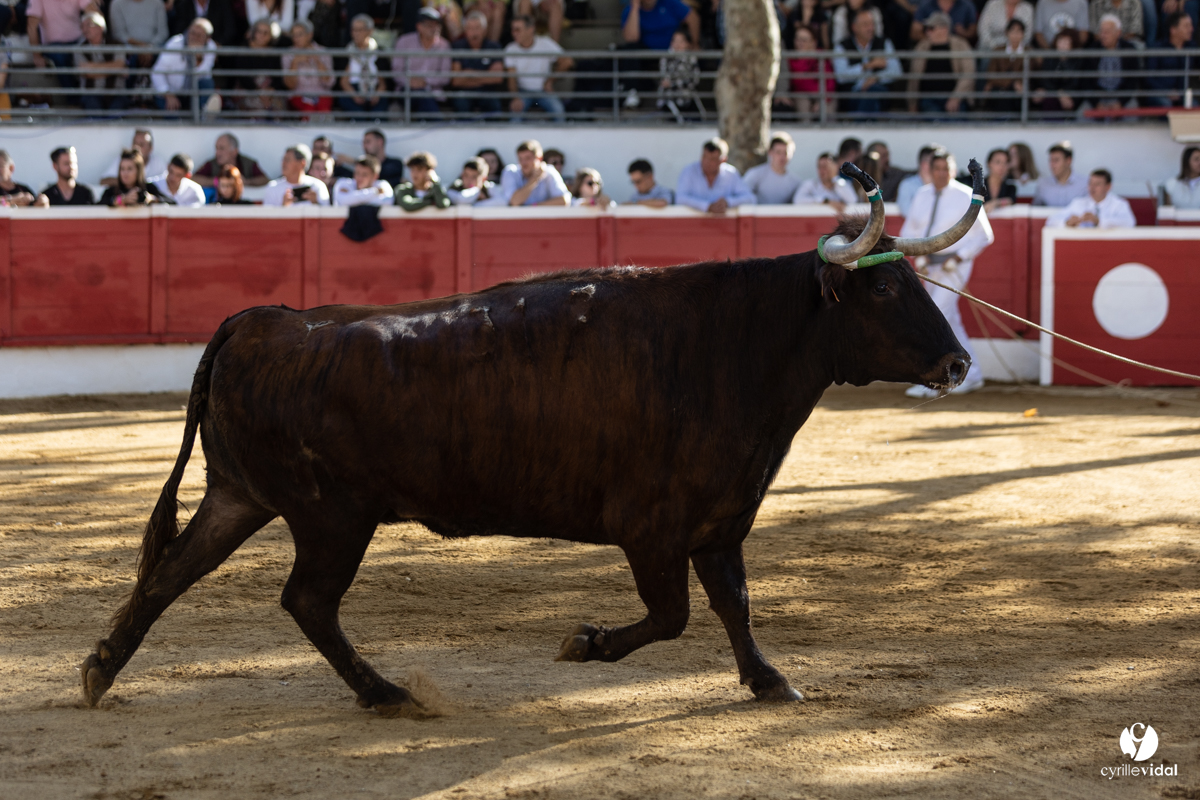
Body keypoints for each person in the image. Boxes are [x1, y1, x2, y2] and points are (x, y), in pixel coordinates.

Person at [900, 148, 994, 398]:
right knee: (948, 318)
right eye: (937, 169)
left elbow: (984, 236)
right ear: (929, 171)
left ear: (953, 171)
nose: (941, 173)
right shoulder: (922, 194)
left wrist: (958, 257)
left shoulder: (965, 195)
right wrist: (918, 257)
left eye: (945, 169)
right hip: (929, 265)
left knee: (937, 316)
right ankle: (970, 375)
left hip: (955, 266)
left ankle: (936, 379)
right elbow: (911, 229)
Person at [832, 9, 903, 114]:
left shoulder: (884, 43)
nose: (870, 28)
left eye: (872, 24)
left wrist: (876, 78)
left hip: (880, 91)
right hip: (853, 94)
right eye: (865, 25)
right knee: (870, 98)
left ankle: (861, 125)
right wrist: (866, 66)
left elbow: (897, 71)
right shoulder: (842, 46)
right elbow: (841, 76)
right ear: (854, 27)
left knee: (874, 91)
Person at [504, 15, 572, 123]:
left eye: (518, 29)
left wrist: (550, 80)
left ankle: (558, 140)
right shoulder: (510, 48)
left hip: (543, 91)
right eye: (513, 30)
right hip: (522, 92)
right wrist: (515, 97)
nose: (514, 33)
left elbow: (567, 61)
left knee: (559, 111)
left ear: (530, 29)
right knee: (515, 115)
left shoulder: (545, 43)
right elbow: (511, 78)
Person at [907, 13, 974, 116]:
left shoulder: (960, 45)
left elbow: (968, 73)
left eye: (931, 28)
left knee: (957, 127)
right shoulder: (922, 47)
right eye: (927, 28)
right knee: (934, 124)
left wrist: (955, 98)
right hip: (928, 99)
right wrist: (912, 103)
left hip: (956, 98)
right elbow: (914, 77)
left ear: (944, 29)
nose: (927, 32)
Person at [152, 19, 218, 114]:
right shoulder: (174, 44)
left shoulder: (211, 47)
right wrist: (167, 94)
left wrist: (197, 58)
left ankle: (204, 115)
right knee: (172, 115)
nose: (194, 37)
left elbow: (203, 73)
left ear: (207, 38)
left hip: (192, 93)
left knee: (207, 83)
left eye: (199, 35)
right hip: (169, 92)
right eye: (192, 33)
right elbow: (157, 72)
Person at [394, 7, 452, 117]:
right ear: (419, 26)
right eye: (429, 25)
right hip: (407, 91)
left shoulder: (444, 45)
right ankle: (435, 125)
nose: (434, 28)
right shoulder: (404, 42)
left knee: (424, 98)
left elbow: (445, 77)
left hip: (433, 94)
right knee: (421, 97)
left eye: (436, 25)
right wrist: (410, 81)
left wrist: (425, 81)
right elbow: (396, 71)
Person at [675, 137, 756, 214]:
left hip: (724, 225)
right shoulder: (689, 171)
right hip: (694, 225)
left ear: (723, 160)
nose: (707, 162)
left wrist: (728, 202)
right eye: (704, 157)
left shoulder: (731, 174)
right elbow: (680, 198)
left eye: (712, 159)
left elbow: (750, 198)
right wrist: (707, 206)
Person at [450, 11, 505, 116]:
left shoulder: (494, 47)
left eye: (477, 28)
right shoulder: (458, 46)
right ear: (465, 30)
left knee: (494, 106)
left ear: (485, 30)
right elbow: (456, 80)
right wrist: (485, 76)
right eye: (470, 28)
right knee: (461, 104)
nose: (474, 33)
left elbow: (497, 78)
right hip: (465, 93)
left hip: (487, 93)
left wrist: (469, 74)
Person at [26, 0, 98, 80]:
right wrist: (37, 56)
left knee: (91, 55)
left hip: (78, 42)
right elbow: (31, 27)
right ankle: (71, 91)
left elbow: (95, 15)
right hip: (54, 47)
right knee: (60, 57)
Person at [75, 13, 130, 115]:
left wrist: (92, 67)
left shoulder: (116, 45)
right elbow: (87, 73)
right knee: (95, 118)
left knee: (114, 117)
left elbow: (119, 65)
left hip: (116, 93)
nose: (85, 29)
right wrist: (114, 69)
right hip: (91, 94)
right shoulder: (79, 49)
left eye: (88, 25)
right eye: (82, 26)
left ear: (100, 27)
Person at [1086, 14, 1143, 110]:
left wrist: (1121, 102)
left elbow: (1132, 81)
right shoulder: (1092, 49)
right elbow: (1086, 82)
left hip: (1121, 96)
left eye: (1107, 32)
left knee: (1133, 113)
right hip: (1098, 97)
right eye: (1101, 32)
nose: (1103, 35)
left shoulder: (1128, 50)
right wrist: (1096, 103)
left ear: (1118, 33)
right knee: (1082, 116)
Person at [231, 19, 286, 118]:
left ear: (271, 36)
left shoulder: (274, 52)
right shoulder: (244, 50)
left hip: (269, 91)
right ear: (254, 33)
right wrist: (258, 91)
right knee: (255, 105)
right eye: (259, 31)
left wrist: (270, 90)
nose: (262, 35)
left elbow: (278, 76)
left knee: (278, 105)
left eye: (266, 33)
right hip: (248, 90)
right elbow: (242, 76)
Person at [1046, 169, 1137, 227]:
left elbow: (1129, 223)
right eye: (1090, 183)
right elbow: (1051, 221)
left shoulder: (1118, 204)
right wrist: (1067, 222)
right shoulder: (1079, 203)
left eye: (1097, 184)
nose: (1092, 187)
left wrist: (1099, 221)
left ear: (1108, 187)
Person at [781, 24, 836, 117]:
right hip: (801, 96)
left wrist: (823, 99)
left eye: (804, 40)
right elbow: (798, 83)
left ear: (813, 42)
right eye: (798, 39)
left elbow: (830, 83)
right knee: (803, 106)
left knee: (827, 110)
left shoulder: (821, 57)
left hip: (823, 95)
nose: (800, 43)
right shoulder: (790, 59)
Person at [339, 15, 388, 117]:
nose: (355, 34)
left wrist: (376, 95)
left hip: (374, 89)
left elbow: (383, 82)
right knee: (356, 112)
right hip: (353, 90)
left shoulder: (379, 52)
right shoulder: (346, 52)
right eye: (354, 30)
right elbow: (343, 81)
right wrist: (355, 96)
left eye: (360, 30)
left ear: (370, 31)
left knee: (379, 112)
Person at [283, 20, 335, 115]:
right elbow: (290, 86)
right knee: (308, 109)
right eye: (294, 35)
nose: (296, 39)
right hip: (299, 95)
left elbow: (329, 82)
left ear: (310, 35)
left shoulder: (323, 52)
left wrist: (318, 61)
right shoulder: (288, 54)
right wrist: (295, 62)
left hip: (321, 95)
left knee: (324, 111)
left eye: (300, 35)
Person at [1145, 12, 1196, 108]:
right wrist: (1166, 91)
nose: (1191, 29)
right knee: (1166, 105)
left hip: (1183, 96)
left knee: (1195, 109)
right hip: (1160, 94)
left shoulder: (1192, 48)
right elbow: (1149, 78)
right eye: (1186, 26)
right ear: (1173, 30)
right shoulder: (1159, 49)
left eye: (1191, 25)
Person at [498, 140, 571, 206]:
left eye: (527, 158)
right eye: (520, 159)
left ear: (539, 158)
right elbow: (514, 202)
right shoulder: (510, 172)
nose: (523, 163)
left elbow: (564, 200)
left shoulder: (549, 171)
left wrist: (535, 206)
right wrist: (535, 179)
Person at [109, 0, 169, 77]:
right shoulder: (117, 4)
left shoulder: (157, 3)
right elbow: (119, 34)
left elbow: (163, 33)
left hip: (154, 48)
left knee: (165, 59)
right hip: (129, 49)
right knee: (126, 61)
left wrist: (149, 48)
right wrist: (142, 47)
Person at [1032, 27, 1083, 115]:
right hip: (1052, 93)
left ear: (1073, 44)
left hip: (1071, 95)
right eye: (1060, 41)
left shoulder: (1078, 61)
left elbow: (1076, 83)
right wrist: (1058, 93)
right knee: (1047, 98)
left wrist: (1063, 94)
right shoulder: (1049, 58)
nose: (1062, 45)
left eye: (1066, 42)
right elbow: (1045, 80)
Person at [983, 19, 1030, 114]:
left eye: (1019, 31)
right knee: (1000, 92)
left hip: (1019, 88)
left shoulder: (1029, 52)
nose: (1016, 35)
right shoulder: (998, 50)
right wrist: (1011, 82)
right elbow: (991, 74)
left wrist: (1015, 83)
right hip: (1000, 87)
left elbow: (1029, 73)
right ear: (1006, 33)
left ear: (1023, 34)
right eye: (1012, 31)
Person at [742, 133, 801, 205]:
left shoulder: (795, 182)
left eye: (785, 153)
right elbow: (742, 196)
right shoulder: (755, 174)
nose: (782, 157)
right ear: (770, 152)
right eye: (778, 152)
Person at [263, 144, 331, 206]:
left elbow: (328, 216)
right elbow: (266, 218)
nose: (283, 163)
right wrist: (283, 207)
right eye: (283, 159)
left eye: (287, 160)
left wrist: (315, 203)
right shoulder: (272, 187)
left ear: (302, 163)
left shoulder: (318, 186)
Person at [334, 129, 405, 187]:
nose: (364, 146)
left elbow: (383, 175)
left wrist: (354, 161)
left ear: (380, 142)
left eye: (368, 142)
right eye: (363, 143)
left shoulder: (396, 164)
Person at [193, 134, 269, 189]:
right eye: (216, 148)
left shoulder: (248, 163)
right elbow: (194, 179)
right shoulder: (211, 164)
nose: (217, 153)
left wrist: (246, 182)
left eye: (222, 148)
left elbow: (265, 180)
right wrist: (217, 181)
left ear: (234, 151)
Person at [99, 149, 170, 206]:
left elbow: (172, 202)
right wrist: (121, 200)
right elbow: (98, 206)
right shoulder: (112, 191)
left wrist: (152, 199)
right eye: (122, 169)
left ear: (138, 171)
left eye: (129, 169)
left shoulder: (148, 188)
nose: (125, 173)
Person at [792, 151, 858, 210]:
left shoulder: (843, 184)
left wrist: (834, 178)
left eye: (825, 166)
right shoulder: (810, 184)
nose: (822, 170)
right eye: (819, 166)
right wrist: (825, 201)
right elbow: (798, 200)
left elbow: (853, 200)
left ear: (835, 167)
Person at [1033, 141, 1088, 206]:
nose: (1052, 165)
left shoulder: (1084, 184)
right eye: (1050, 160)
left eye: (1056, 160)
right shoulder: (1043, 184)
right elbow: (1036, 210)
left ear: (1068, 161)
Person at [169, 0, 238, 45]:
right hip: (189, 47)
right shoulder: (183, 4)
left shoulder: (221, 3)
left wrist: (218, 44)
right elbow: (179, 29)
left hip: (217, 50)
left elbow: (230, 29)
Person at [896, 144, 938, 214]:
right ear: (924, 164)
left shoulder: (943, 185)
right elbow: (907, 211)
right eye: (935, 163)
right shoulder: (907, 185)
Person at [911, 0, 978, 41]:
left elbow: (973, 31)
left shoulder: (967, 5)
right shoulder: (925, 4)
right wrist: (934, 38)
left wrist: (964, 33)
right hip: (930, 46)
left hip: (957, 47)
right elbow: (915, 32)